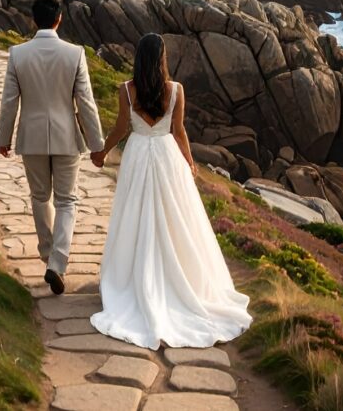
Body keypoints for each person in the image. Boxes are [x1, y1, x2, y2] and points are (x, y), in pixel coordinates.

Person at [88, 33, 251, 349]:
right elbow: (178, 131)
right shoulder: (175, 90)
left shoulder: (126, 89)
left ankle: (132, 279)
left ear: (138, 58)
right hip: (166, 156)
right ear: (162, 58)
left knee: (135, 215)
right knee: (174, 217)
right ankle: (176, 280)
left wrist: (104, 151)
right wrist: (189, 162)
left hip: (137, 154)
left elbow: (122, 127)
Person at [0, 0, 104, 296]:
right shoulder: (75, 54)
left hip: (31, 137)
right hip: (67, 136)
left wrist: (2, 138)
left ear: (34, 20)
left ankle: (47, 255)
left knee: (40, 197)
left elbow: (9, 102)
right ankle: (57, 263)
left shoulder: (18, 54)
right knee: (67, 201)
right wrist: (97, 144)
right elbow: (86, 102)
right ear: (59, 20)